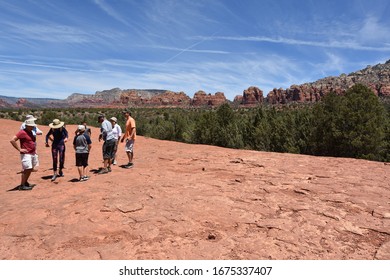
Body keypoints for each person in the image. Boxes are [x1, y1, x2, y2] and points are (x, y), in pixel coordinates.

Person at [10, 118, 40, 190]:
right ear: (27, 126)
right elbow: (12, 140)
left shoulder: (31, 132)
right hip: (26, 154)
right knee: (27, 169)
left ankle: (25, 182)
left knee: (30, 168)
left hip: (32, 153)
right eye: (32, 126)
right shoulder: (22, 132)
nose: (33, 127)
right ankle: (22, 185)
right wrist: (19, 149)